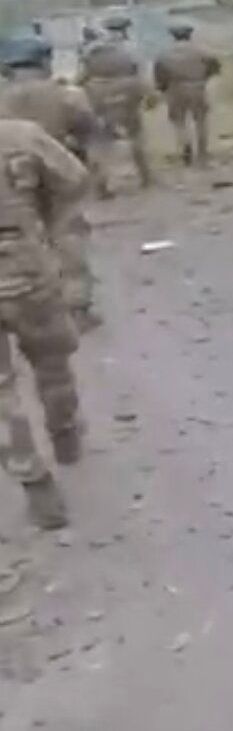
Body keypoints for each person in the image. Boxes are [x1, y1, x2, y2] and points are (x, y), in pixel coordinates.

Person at [0, 117, 92, 531]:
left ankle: (35, 481)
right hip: (27, 274)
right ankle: (64, 429)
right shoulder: (20, 135)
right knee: (52, 362)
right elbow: (73, 179)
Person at [0, 40, 103, 333]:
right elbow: (88, 128)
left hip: (13, 180)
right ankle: (77, 307)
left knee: (20, 240)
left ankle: (24, 303)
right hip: (58, 172)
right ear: (45, 63)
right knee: (69, 236)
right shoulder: (67, 94)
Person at [81, 15, 151, 191]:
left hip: (98, 93)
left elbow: (81, 75)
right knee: (135, 134)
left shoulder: (91, 49)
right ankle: (145, 176)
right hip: (127, 91)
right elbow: (141, 73)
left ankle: (101, 183)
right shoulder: (131, 48)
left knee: (99, 139)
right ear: (126, 30)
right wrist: (148, 94)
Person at [154, 22, 221, 167]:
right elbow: (215, 66)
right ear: (190, 35)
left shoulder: (164, 53)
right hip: (197, 87)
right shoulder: (202, 51)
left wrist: (162, 88)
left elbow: (159, 74)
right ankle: (202, 153)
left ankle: (185, 145)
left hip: (175, 88)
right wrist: (205, 77)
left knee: (179, 121)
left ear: (173, 37)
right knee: (201, 121)